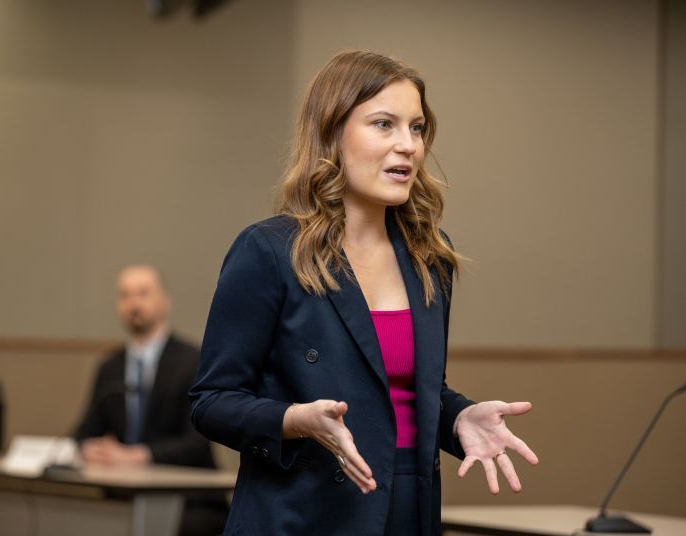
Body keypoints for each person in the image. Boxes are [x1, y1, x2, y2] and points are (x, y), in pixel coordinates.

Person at [188, 50, 539, 536]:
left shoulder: (430, 258)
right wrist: (294, 419)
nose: (408, 146)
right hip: (302, 517)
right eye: (384, 125)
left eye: (416, 128)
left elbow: (405, 392)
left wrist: (458, 417)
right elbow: (211, 401)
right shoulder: (269, 251)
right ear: (332, 134)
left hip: (407, 510)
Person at [74, 264, 227, 536]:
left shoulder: (193, 361)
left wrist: (139, 456)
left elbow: (197, 443)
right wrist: (89, 449)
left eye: (143, 294)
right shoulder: (110, 367)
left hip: (189, 500)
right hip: (124, 497)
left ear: (164, 302)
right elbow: (84, 431)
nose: (134, 304)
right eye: (125, 295)